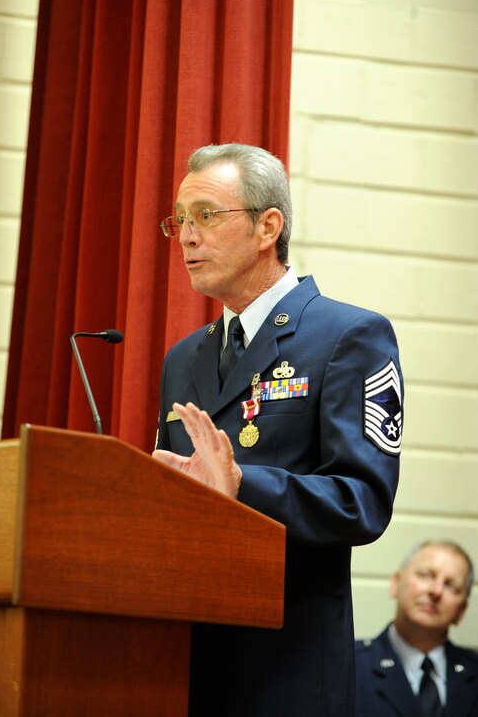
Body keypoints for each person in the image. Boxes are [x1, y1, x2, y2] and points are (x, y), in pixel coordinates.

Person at [153, 142, 404, 717]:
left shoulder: (348, 336)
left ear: (268, 226)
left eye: (207, 216)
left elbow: (362, 502)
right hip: (182, 662)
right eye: (180, 221)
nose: (187, 237)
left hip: (287, 665)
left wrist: (243, 484)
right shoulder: (184, 359)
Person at [355, 540, 478, 717]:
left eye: (450, 585)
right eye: (426, 575)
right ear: (395, 584)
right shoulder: (349, 665)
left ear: (461, 611)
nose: (436, 591)